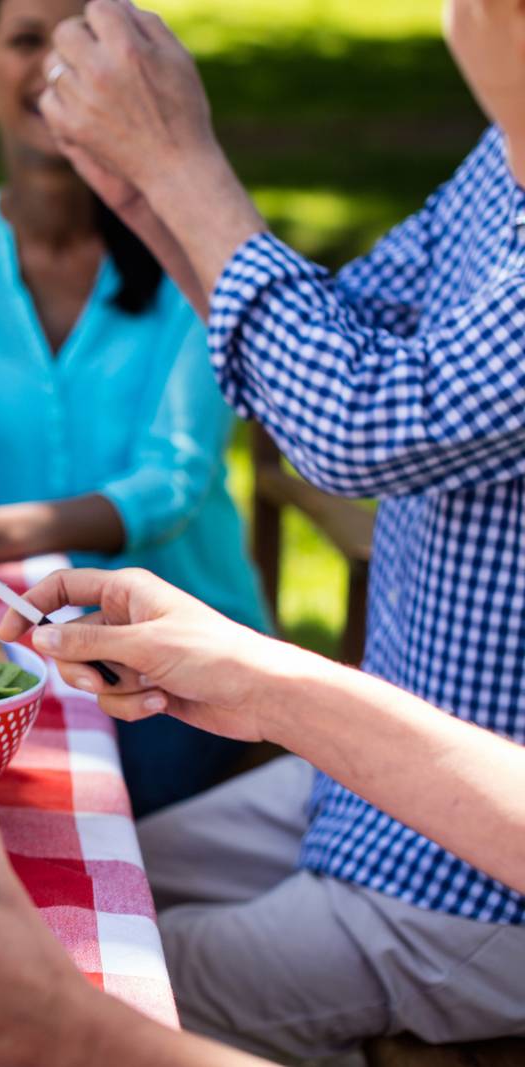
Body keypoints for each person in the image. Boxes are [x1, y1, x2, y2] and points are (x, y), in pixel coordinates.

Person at [26, 0, 525, 1055]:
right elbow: (333, 337)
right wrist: (147, 196)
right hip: (369, 776)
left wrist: (180, 161)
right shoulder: (503, 155)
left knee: (43, 981)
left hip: (477, 885)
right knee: (44, 879)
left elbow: (355, 426)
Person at [0, 567, 525, 1067]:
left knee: (100, 959)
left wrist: (74, 1031)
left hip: (465, 914)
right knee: (95, 890)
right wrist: (256, 681)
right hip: (361, 805)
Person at [0, 0, 267, 815]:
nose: (56, 62)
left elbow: (175, 480)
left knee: (93, 844)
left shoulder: (196, 250)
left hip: (188, 660)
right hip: (10, 648)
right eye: (27, 39)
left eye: (81, 39)